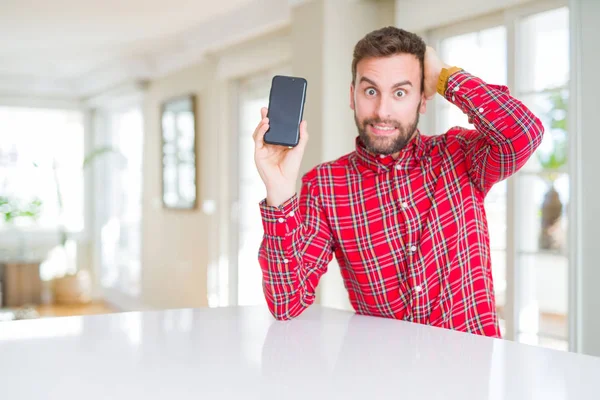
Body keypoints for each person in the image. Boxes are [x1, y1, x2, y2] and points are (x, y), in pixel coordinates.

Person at [252, 26, 544, 337]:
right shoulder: (325, 186)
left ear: (423, 100)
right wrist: (279, 192)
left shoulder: (460, 155)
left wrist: (444, 76)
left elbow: (523, 133)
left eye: (401, 92)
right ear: (352, 95)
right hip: (379, 378)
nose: (382, 111)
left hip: (466, 377)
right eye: (370, 91)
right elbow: (286, 303)